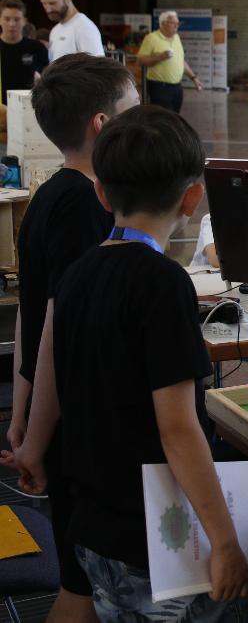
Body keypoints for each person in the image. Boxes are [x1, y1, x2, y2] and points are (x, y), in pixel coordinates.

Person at [43, 105, 248, 618]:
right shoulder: (162, 284)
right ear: (193, 198)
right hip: (155, 534)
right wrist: (224, 540)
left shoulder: (77, 274)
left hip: (93, 521)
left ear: (101, 192)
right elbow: (177, 428)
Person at [1, 53, 139, 623]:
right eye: (133, 109)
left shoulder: (49, 194)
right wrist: (34, 437)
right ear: (103, 125)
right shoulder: (86, 205)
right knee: (82, 587)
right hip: (74, 420)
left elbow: (29, 313)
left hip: (49, 410)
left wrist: (21, 411)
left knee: (78, 583)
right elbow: (58, 326)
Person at [137, 10, 203, 113]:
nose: (177, 25)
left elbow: (181, 61)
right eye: (173, 23)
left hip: (177, 87)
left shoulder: (176, 38)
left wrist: (194, 78)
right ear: (163, 23)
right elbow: (140, 61)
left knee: (175, 117)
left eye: (178, 23)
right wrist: (159, 57)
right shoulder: (151, 38)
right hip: (160, 87)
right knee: (162, 118)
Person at [36, 0, 104, 61]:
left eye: (52, 3)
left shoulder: (84, 27)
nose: (48, 9)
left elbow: (98, 66)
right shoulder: (55, 31)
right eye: (44, 3)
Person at [0, 0, 47, 101]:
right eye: (7, 19)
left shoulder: (37, 48)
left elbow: (47, 81)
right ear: (0, 20)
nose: (12, 24)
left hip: (29, 105)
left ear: (24, 21)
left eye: (17, 19)